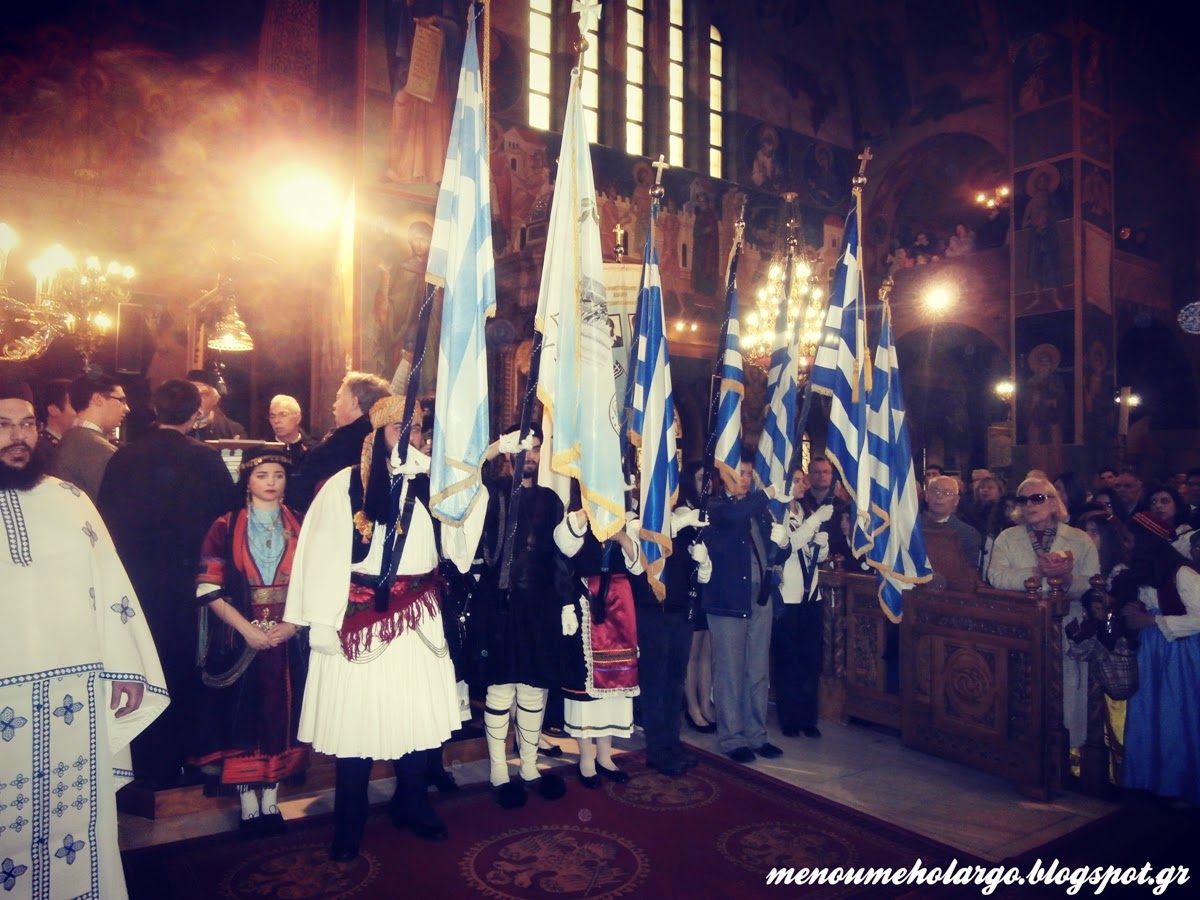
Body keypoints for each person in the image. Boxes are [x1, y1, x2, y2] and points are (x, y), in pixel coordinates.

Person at [283, 394, 480, 861]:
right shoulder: (345, 485)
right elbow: (321, 554)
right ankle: (349, 821)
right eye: (400, 429)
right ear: (377, 434)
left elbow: (462, 544)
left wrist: (462, 480)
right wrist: (322, 622)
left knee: (415, 715)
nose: (411, 437)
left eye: (417, 430)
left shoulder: (431, 486)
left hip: (418, 616)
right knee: (358, 719)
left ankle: (412, 803)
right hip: (360, 618)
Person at [0, 377, 168, 900]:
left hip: (75, 693)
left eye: (27, 424)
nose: (18, 437)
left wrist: (125, 666)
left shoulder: (70, 500)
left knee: (78, 826)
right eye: (3, 425)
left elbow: (110, 585)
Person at [98, 378, 236, 789]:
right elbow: (226, 522)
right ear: (197, 414)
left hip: (134, 582)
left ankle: (143, 762)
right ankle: (183, 758)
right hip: (187, 583)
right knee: (184, 666)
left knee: (140, 662)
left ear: (155, 410)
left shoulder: (124, 458)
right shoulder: (206, 460)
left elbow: (105, 522)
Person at [193, 446, 308, 838]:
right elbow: (208, 587)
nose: (271, 482)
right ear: (247, 480)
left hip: (288, 636)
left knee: (282, 714)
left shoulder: (302, 522)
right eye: (262, 475)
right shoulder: (225, 526)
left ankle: (271, 797)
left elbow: (316, 581)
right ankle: (247, 802)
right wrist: (247, 629)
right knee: (242, 714)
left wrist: (292, 625)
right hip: (238, 634)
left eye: (278, 475)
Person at [471, 426, 571, 808]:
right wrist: (495, 448)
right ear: (512, 452)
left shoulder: (551, 499)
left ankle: (529, 766)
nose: (530, 454)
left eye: (536, 448)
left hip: (540, 606)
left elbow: (559, 555)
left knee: (533, 688)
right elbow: (466, 474)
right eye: (524, 447)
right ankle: (499, 770)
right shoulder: (492, 491)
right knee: (501, 688)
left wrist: (565, 602)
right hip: (500, 604)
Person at [987, 476, 1100, 753]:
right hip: (1023, 623)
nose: (1029, 505)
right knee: (1022, 687)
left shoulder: (1079, 538)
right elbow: (996, 576)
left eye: (1037, 498)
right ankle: (1020, 747)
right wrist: (1038, 573)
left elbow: (1094, 582)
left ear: (1053, 502)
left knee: (1065, 689)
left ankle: (1068, 751)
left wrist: (1067, 578)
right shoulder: (1007, 537)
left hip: (1067, 623)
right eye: (1023, 500)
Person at [702, 454, 789, 763]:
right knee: (729, 671)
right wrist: (768, 493)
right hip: (728, 599)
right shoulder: (715, 506)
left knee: (757, 669)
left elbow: (775, 552)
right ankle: (732, 738)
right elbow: (733, 517)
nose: (745, 480)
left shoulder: (760, 512)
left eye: (749, 475)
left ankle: (756, 734)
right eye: (739, 473)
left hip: (760, 597)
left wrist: (784, 543)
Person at [1116, 512, 1200, 806]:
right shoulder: (1149, 572)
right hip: (1154, 652)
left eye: (1129, 540)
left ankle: (1183, 785)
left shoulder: (1182, 574)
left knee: (1177, 717)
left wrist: (1152, 621)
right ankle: (1153, 780)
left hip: (1180, 654)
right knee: (1152, 715)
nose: (1125, 545)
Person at [561, 504, 644, 787]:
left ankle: (605, 755)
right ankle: (586, 758)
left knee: (615, 682)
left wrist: (621, 536)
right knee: (585, 685)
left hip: (619, 605)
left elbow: (638, 566)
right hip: (587, 602)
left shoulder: (627, 519)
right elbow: (564, 550)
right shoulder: (576, 517)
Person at [635, 485, 712, 776]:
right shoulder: (639, 520)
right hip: (652, 611)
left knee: (675, 682)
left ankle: (672, 742)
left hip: (681, 611)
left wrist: (704, 562)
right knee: (655, 683)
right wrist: (681, 522)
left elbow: (701, 576)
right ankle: (657, 749)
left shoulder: (686, 526)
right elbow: (649, 545)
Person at [772, 465, 833, 739]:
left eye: (801, 480)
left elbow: (816, 556)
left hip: (811, 595)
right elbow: (788, 546)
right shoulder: (778, 514)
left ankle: (809, 717)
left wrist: (823, 544)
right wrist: (813, 524)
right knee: (788, 659)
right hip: (788, 595)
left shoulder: (806, 511)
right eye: (795, 480)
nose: (801, 485)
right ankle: (789, 717)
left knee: (810, 659)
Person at [287, 371, 391, 512]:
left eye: (339, 398)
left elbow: (301, 488)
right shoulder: (385, 437)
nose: (334, 405)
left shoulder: (345, 442)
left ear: (354, 402)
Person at [49, 372, 128, 502]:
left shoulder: (71, 437)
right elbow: (121, 502)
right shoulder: (96, 448)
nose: (127, 408)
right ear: (98, 399)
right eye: (121, 401)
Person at [920, 474, 983, 583]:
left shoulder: (968, 534)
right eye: (935, 491)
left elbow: (969, 573)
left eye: (947, 493)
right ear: (927, 496)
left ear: (956, 500)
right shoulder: (912, 527)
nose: (940, 496)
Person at [187, 368, 245, 441]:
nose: (197, 399)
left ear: (215, 399)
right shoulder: (176, 426)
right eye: (192, 394)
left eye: (204, 395)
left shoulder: (232, 429)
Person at [268, 394, 317, 465]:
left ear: (298, 418)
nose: (276, 421)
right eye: (272, 416)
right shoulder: (263, 448)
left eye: (283, 415)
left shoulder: (313, 449)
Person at [35, 376, 74, 462]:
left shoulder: (75, 443)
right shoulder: (40, 450)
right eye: (75, 406)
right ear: (53, 410)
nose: (82, 412)